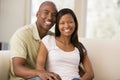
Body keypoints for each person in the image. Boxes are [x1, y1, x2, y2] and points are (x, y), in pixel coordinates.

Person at [36, 8, 94, 80]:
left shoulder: (79, 47)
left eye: (70, 22)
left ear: (75, 23)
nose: (66, 26)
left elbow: (90, 73)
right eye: (62, 23)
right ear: (58, 26)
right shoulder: (48, 40)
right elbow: (39, 67)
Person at [9, 1, 61, 80]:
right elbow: (17, 68)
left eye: (54, 15)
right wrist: (40, 73)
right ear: (37, 14)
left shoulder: (53, 37)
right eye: (46, 12)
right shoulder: (22, 34)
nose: (50, 17)